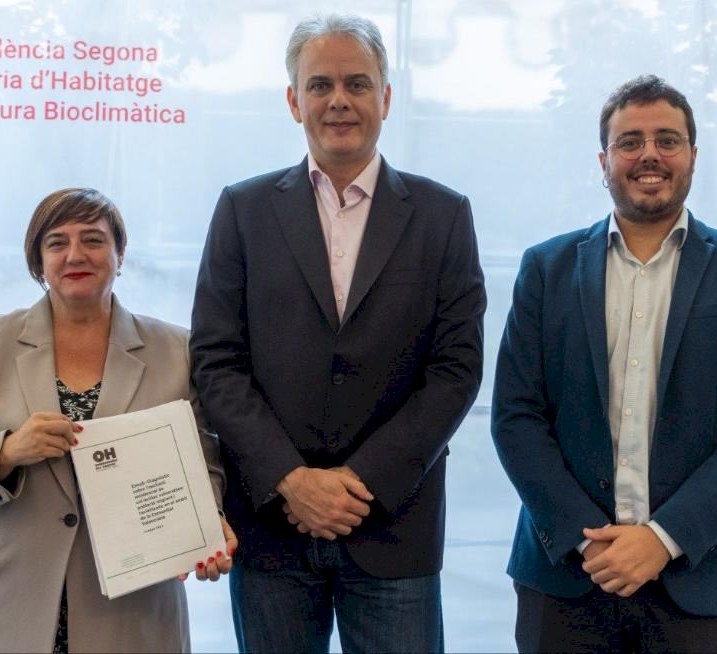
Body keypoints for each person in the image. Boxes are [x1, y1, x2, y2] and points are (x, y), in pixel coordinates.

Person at [190, 13, 486, 654]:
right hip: (272, 525)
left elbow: (456, 370)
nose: (339, 100)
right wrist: (290, 480)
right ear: (293, 100)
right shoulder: (243, 210)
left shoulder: (443, 215)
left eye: (357, 83)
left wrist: (361, 481)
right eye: (320, 85)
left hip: (393, 524)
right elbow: (216, 361)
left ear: (387, 97)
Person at [491, 75, 717, 653]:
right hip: (567, 579)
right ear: (603, 161)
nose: (649, 154)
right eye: (629, 142)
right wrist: (588, 541)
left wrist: (662, 538)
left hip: (704, 580)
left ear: (693, 155)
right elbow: (516, 418)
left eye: (667, 140)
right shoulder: (546, 269)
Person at [0, 188, 236, 653]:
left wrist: (207, 526)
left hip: (129, 609)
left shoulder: (177, 350)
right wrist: (5, 453)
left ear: (120, 255)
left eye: (93, 240)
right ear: (38, 261)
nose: (75, 254)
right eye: (57, 242)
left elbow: (205, 465)